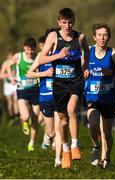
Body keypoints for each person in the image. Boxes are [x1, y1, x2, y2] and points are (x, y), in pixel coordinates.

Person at [38, 8, 89, 168]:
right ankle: (65, 149)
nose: (68, 25)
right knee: (63, 119)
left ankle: (75, 146)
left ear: (74, 21)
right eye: (65, 22)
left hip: (75, 79)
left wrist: (85, 65)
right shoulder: (53, 36)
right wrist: (58, 56)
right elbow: (42, 59)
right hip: (59, 83)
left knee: (72, 108)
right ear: (59, 22)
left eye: (71, 22)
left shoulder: (80, 37)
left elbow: (87, 50)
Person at [85, 23, 115, 169]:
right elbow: (78, 69)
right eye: (99, 35)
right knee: (93, 124)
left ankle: (106, 159)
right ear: (94, 37)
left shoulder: (113, 54)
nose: (102, 38)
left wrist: (113, 73)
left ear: (108, 37)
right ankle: (96, 147)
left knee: (107, 133)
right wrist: (83, 72)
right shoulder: (88, 52)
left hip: (108, 99)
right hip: (92, 98)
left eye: (105, 35)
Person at [27, 31, 62, 167]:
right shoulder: (41, 57)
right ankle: (47, 137)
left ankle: (58, 159)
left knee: (60, 128)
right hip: (45, 97)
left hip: (60, 97)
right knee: (52, 131)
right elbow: (29, 74)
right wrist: (45, 73)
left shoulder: (61, 55)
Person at [7, 37, 40, 151]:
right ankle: (25, 122)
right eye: (27, 50)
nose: (30, 52)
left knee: (35, 119)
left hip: (35, 90)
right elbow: (8, 65)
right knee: (26, 116)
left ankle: (31, 142)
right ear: (24, 48)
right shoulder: (18, 56)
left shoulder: (37, 57)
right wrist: (11, 78)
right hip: (22, 89)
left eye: (32, 50)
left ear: (34, 49)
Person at [0, 50, 19, 125]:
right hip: (7, 85)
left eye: (12, 56)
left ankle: (17, 117)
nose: (11, 57)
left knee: (15, 100)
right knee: (10, 102)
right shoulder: (5, 63)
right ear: (7, 56)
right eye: (9, 56)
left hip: (15, 83)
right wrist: (9, 74)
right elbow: (1, 75)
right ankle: (12, 117)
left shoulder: (17, 62)